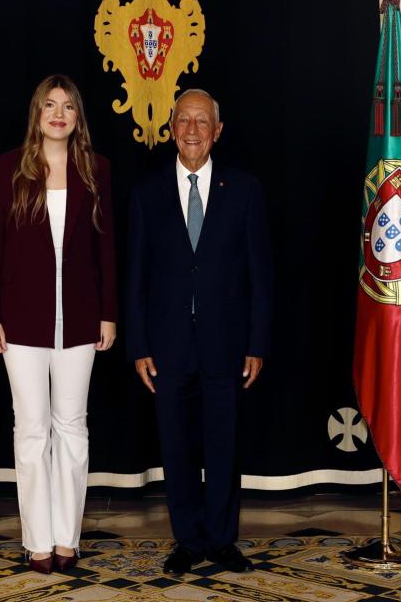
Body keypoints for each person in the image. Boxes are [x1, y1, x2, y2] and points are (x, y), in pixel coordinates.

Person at [126, 88, 273, 575]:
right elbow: (136, 277)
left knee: (224, 443)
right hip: (166, 346)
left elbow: (260, 275)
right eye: (183, 121)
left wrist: (257, 343)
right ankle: (188, 540)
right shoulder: (147, 193)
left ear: (218, 131)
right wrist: (139, 345)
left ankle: (223, 540)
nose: (192, 131)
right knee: (176, 444)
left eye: (202, 122)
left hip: (227, 344)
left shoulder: (245, 189)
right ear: (171, 129)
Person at [0, 75, 117, 575]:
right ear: (37, 113)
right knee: (32, 431)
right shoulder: (5, 171)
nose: (59, 114)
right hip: (19, 324)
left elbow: (107, 250)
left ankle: (67, 539)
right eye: (50, 105)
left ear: (78, 118)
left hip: (81, 322)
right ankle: (38, 542)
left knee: (73, 430)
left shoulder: (96, 170)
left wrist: (109, 313)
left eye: (68, 107)